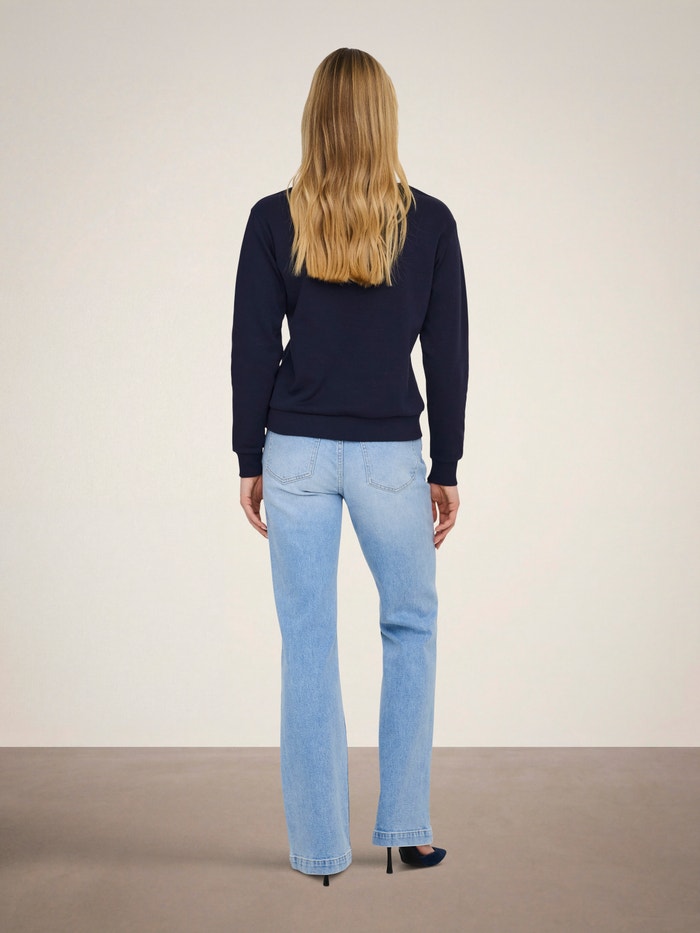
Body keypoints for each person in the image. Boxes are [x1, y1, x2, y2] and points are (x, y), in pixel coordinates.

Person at [230, 47, 469, 887]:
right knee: (410, 626)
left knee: (307, 640)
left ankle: (320, 852)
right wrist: (446, 462)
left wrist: (250, 455)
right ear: (384, 118)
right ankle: (406, 829)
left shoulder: (273, 218)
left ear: (316, 118)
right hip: (390, 458)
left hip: (295, 449)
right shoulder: (429, 222)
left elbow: (252, 347)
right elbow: (448, 352)